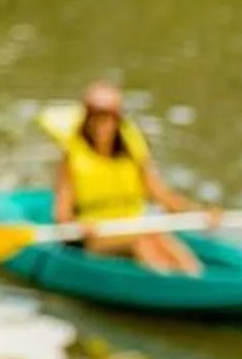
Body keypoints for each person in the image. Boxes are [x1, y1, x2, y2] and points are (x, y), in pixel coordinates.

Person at [49, 82, 209, 276]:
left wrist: (199, 214)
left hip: (133, 225)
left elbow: (162, 196)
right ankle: (167, 283)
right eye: (96, 119)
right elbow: (62, 215)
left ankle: (195, 276)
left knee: (156, 234)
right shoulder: (73, 158)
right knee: (141, 239)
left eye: (108, 119)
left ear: (117, 121)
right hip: (98, 236)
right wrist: (79, 226)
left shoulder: (132, 150)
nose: (102, 126)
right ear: (87, 121)